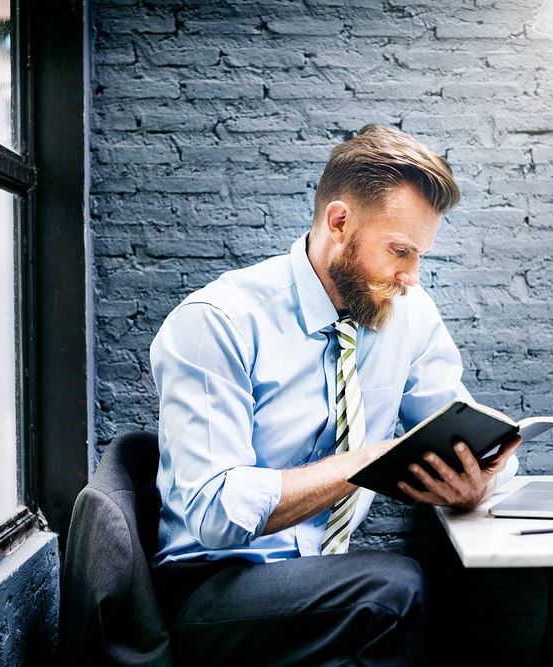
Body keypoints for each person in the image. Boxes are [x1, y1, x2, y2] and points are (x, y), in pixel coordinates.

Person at [148, 124, 522, 666]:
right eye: (399, 251)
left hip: (323, 575)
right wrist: (368, 460)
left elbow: (457, 422)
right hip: (214, 585)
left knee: (419, 588)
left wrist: (475, 482)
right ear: (340, 222)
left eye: (420, 256)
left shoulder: (407, 316)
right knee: (393, 586)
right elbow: (214, 511)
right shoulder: (217, 322)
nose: (411, 277)